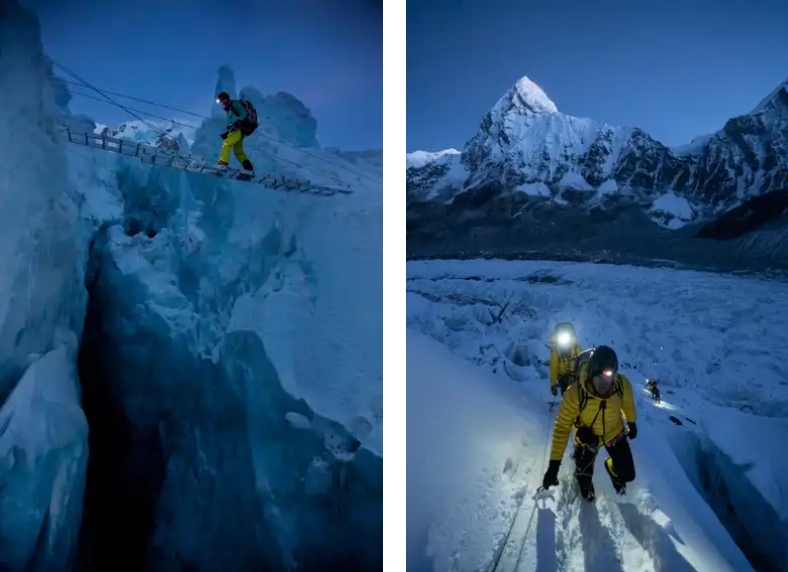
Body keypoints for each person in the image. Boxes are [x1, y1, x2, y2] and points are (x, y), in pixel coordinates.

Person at [541, 345, 638, 501]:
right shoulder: (575, 393)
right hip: (587, 437)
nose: (604, 385)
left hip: (613, 432)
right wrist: (554, 466)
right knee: (584, 477)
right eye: (600, 378)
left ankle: (611, 467)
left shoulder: (621, 384)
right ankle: (584, 481)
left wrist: (632, 423)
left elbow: (628, 404)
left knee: (628, 474)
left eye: (609, 377)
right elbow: (562, 428)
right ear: (591, 372)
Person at [215, 91, 255, 176]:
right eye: (220, 101)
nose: (222, 102)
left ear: (226, 98)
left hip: (238, 129)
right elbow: (231, 122)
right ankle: (248, 168)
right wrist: (227, 133)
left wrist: (238, 122)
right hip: (236, 130)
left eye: (222, 100)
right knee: (238, 151)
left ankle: (223, 162)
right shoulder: (228, 109)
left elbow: (243, 113)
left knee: (226, 143)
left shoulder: (235, 103)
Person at [549, 322, 583, 397]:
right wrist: (553, 384)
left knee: (579, 395)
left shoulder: (576, 349)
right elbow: (553, 368)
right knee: (566, 395)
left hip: (576, 377)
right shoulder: (556, 352)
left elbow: (584, 360)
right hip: (564, 378)